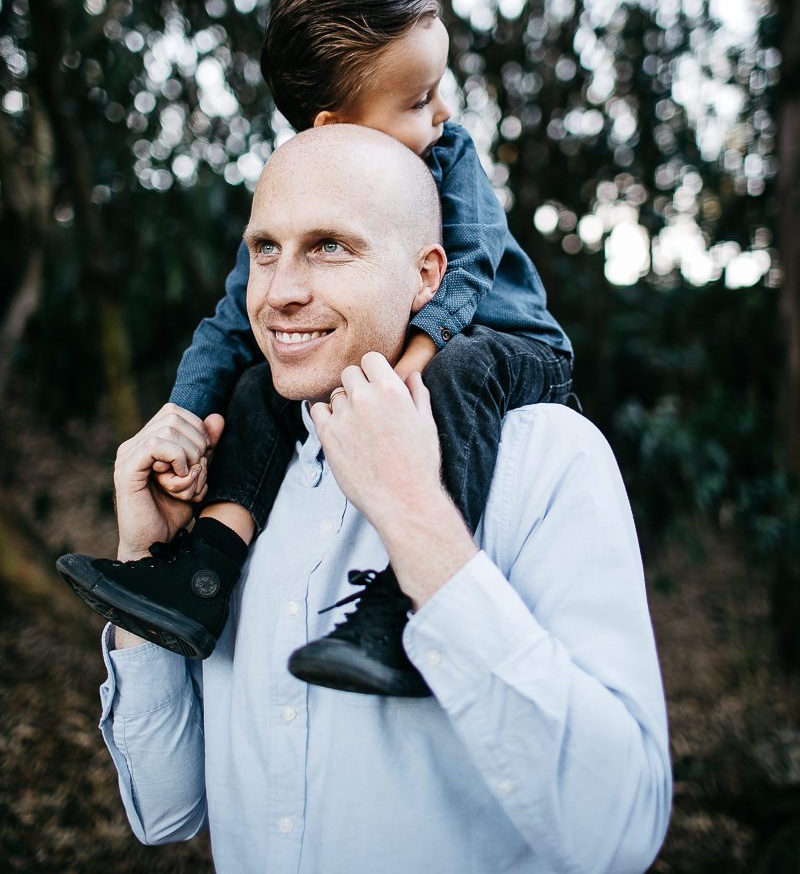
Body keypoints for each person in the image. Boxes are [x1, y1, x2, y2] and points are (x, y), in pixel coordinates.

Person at [88, 126, 670, 874]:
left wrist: (416, 518)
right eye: (265, 249)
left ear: (429, 275)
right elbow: (165, 812)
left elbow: (623, 830)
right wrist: (148, 557)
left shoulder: (548, 460)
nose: (280, 291)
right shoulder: (231, 482)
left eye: (329, 245)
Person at [57, 0, 574, 697]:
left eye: (327, 248)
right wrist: (182, 418)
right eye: (420, 99)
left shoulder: (447, 154)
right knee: (262, 380)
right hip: (417, 348)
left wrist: (416, 360)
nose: (444, 112)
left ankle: (405, 605)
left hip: (512, 344)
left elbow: (473, 263)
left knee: (458, 374)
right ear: (336, 126)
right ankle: (203, 569)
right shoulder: (297, 188)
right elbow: (234, 319)